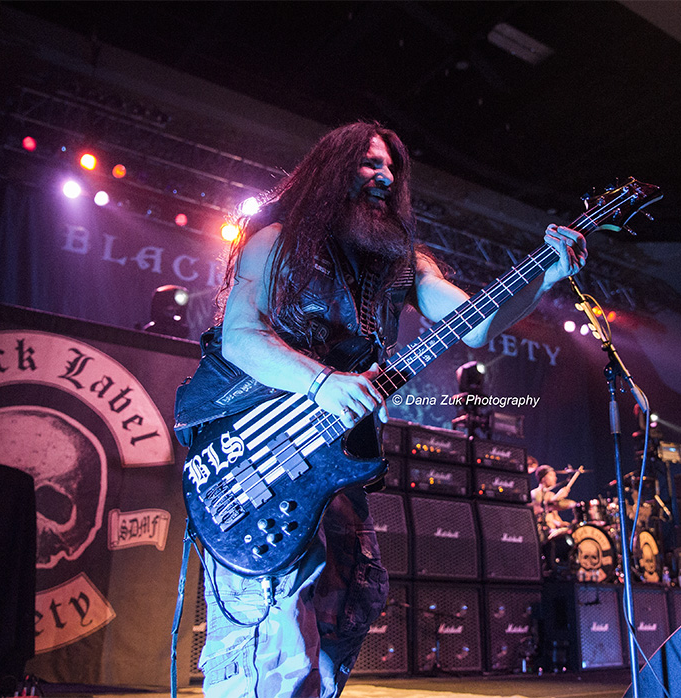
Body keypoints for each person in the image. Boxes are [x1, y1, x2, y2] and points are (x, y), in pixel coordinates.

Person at [174, 121, 587, 698]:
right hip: (254, 455)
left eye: (392, 168)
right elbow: (242, 337)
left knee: (348, 605)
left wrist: (544, 276)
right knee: (274, 633)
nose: (386, 176)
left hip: (331, 461)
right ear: (333, 170)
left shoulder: (402, 264)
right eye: (371, 163)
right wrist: (320, 383)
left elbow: (475, 323)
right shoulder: (275, 241)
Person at [531, 464, 580, 536]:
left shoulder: (551, 494)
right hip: (540, 531)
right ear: (543, 478)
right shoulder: (534, 493)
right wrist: (557, 497)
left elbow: (555, 515)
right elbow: (542, 507)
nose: (555, 478)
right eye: (551, 475)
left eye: (555, 476)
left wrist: (561, 523)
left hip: (552, 530)